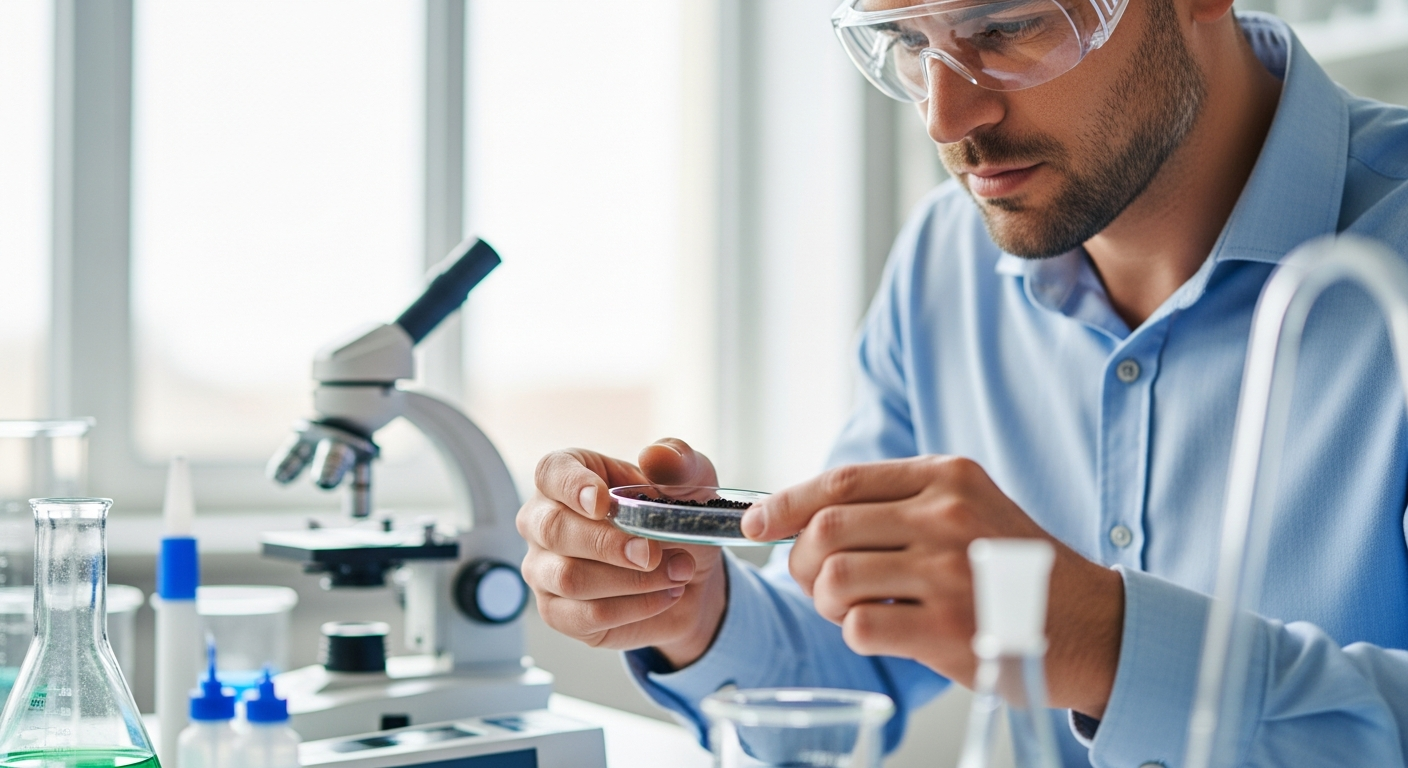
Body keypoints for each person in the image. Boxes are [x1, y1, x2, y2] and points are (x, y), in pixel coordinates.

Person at [516, 0, 1408, 762]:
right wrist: (690, 609)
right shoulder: (944, 261)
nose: (946, 116)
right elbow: (850, 657)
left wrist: (1103, 642)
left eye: (1008, 24)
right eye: (909, 40)